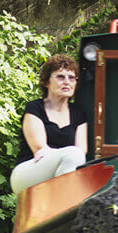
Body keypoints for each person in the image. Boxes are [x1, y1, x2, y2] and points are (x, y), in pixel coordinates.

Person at [10, 55, 89, 195]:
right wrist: (66, 154)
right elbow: (40, 150)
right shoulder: (34, 108)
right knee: (73, 154)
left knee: (75, 157)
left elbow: (81, 151)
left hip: (63, 173)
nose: (67, 82)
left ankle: (63, 209)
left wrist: (65, 156)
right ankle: (65, 207)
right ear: (46, 82)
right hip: (29, 173)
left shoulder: (78, 113)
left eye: (71, 78)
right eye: (60, 77)